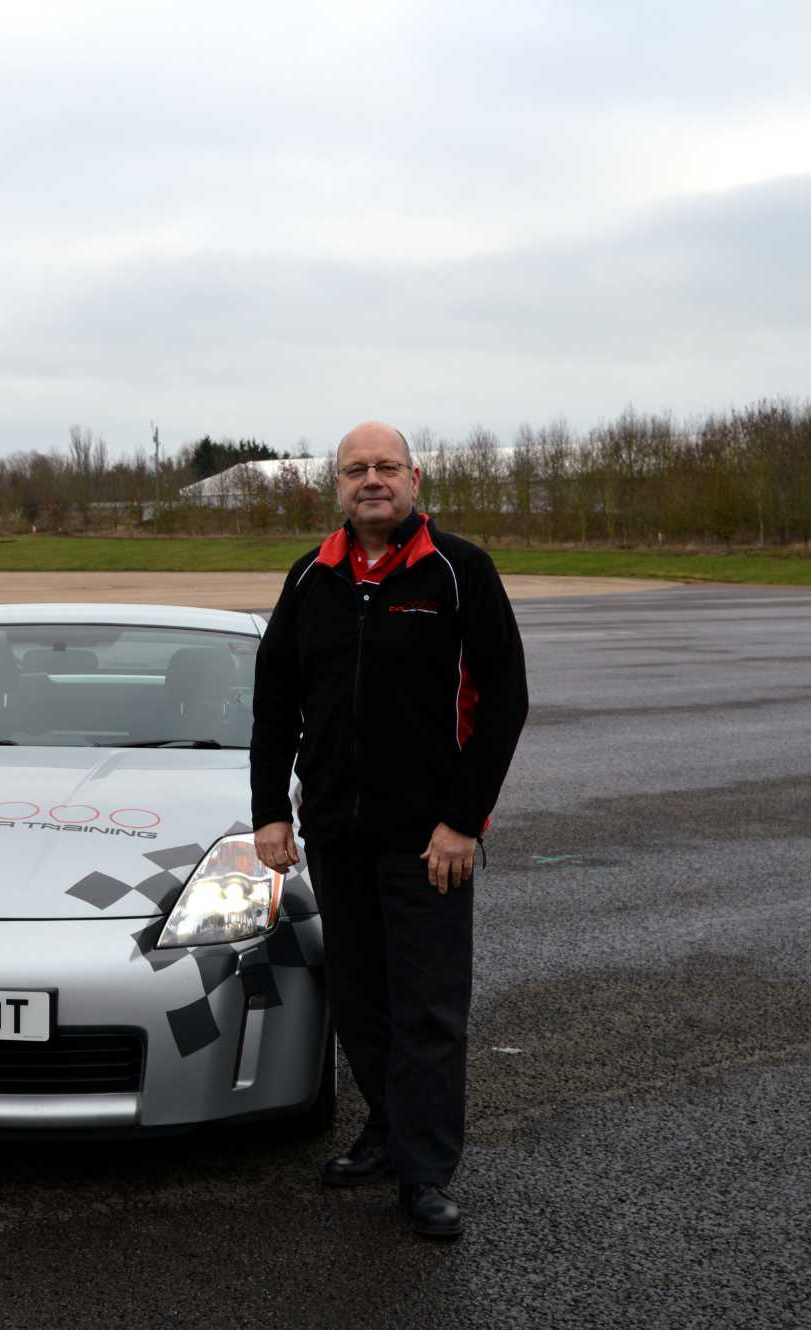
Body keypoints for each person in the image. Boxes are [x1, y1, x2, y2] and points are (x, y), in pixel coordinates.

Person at [250, 421, 528, 1239]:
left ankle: (425, 1171)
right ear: (336, 485)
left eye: (386, 467)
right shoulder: (311, 576)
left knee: (428, 1009)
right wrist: (271, 810)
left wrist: (462, 822)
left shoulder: (459, 571)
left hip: (429, 841)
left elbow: (503, 703)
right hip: (337, 832)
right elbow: (275, 701)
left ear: (415, 479)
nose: (371, 480)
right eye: (355, 470)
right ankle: (386, 1128)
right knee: (360, 1000)